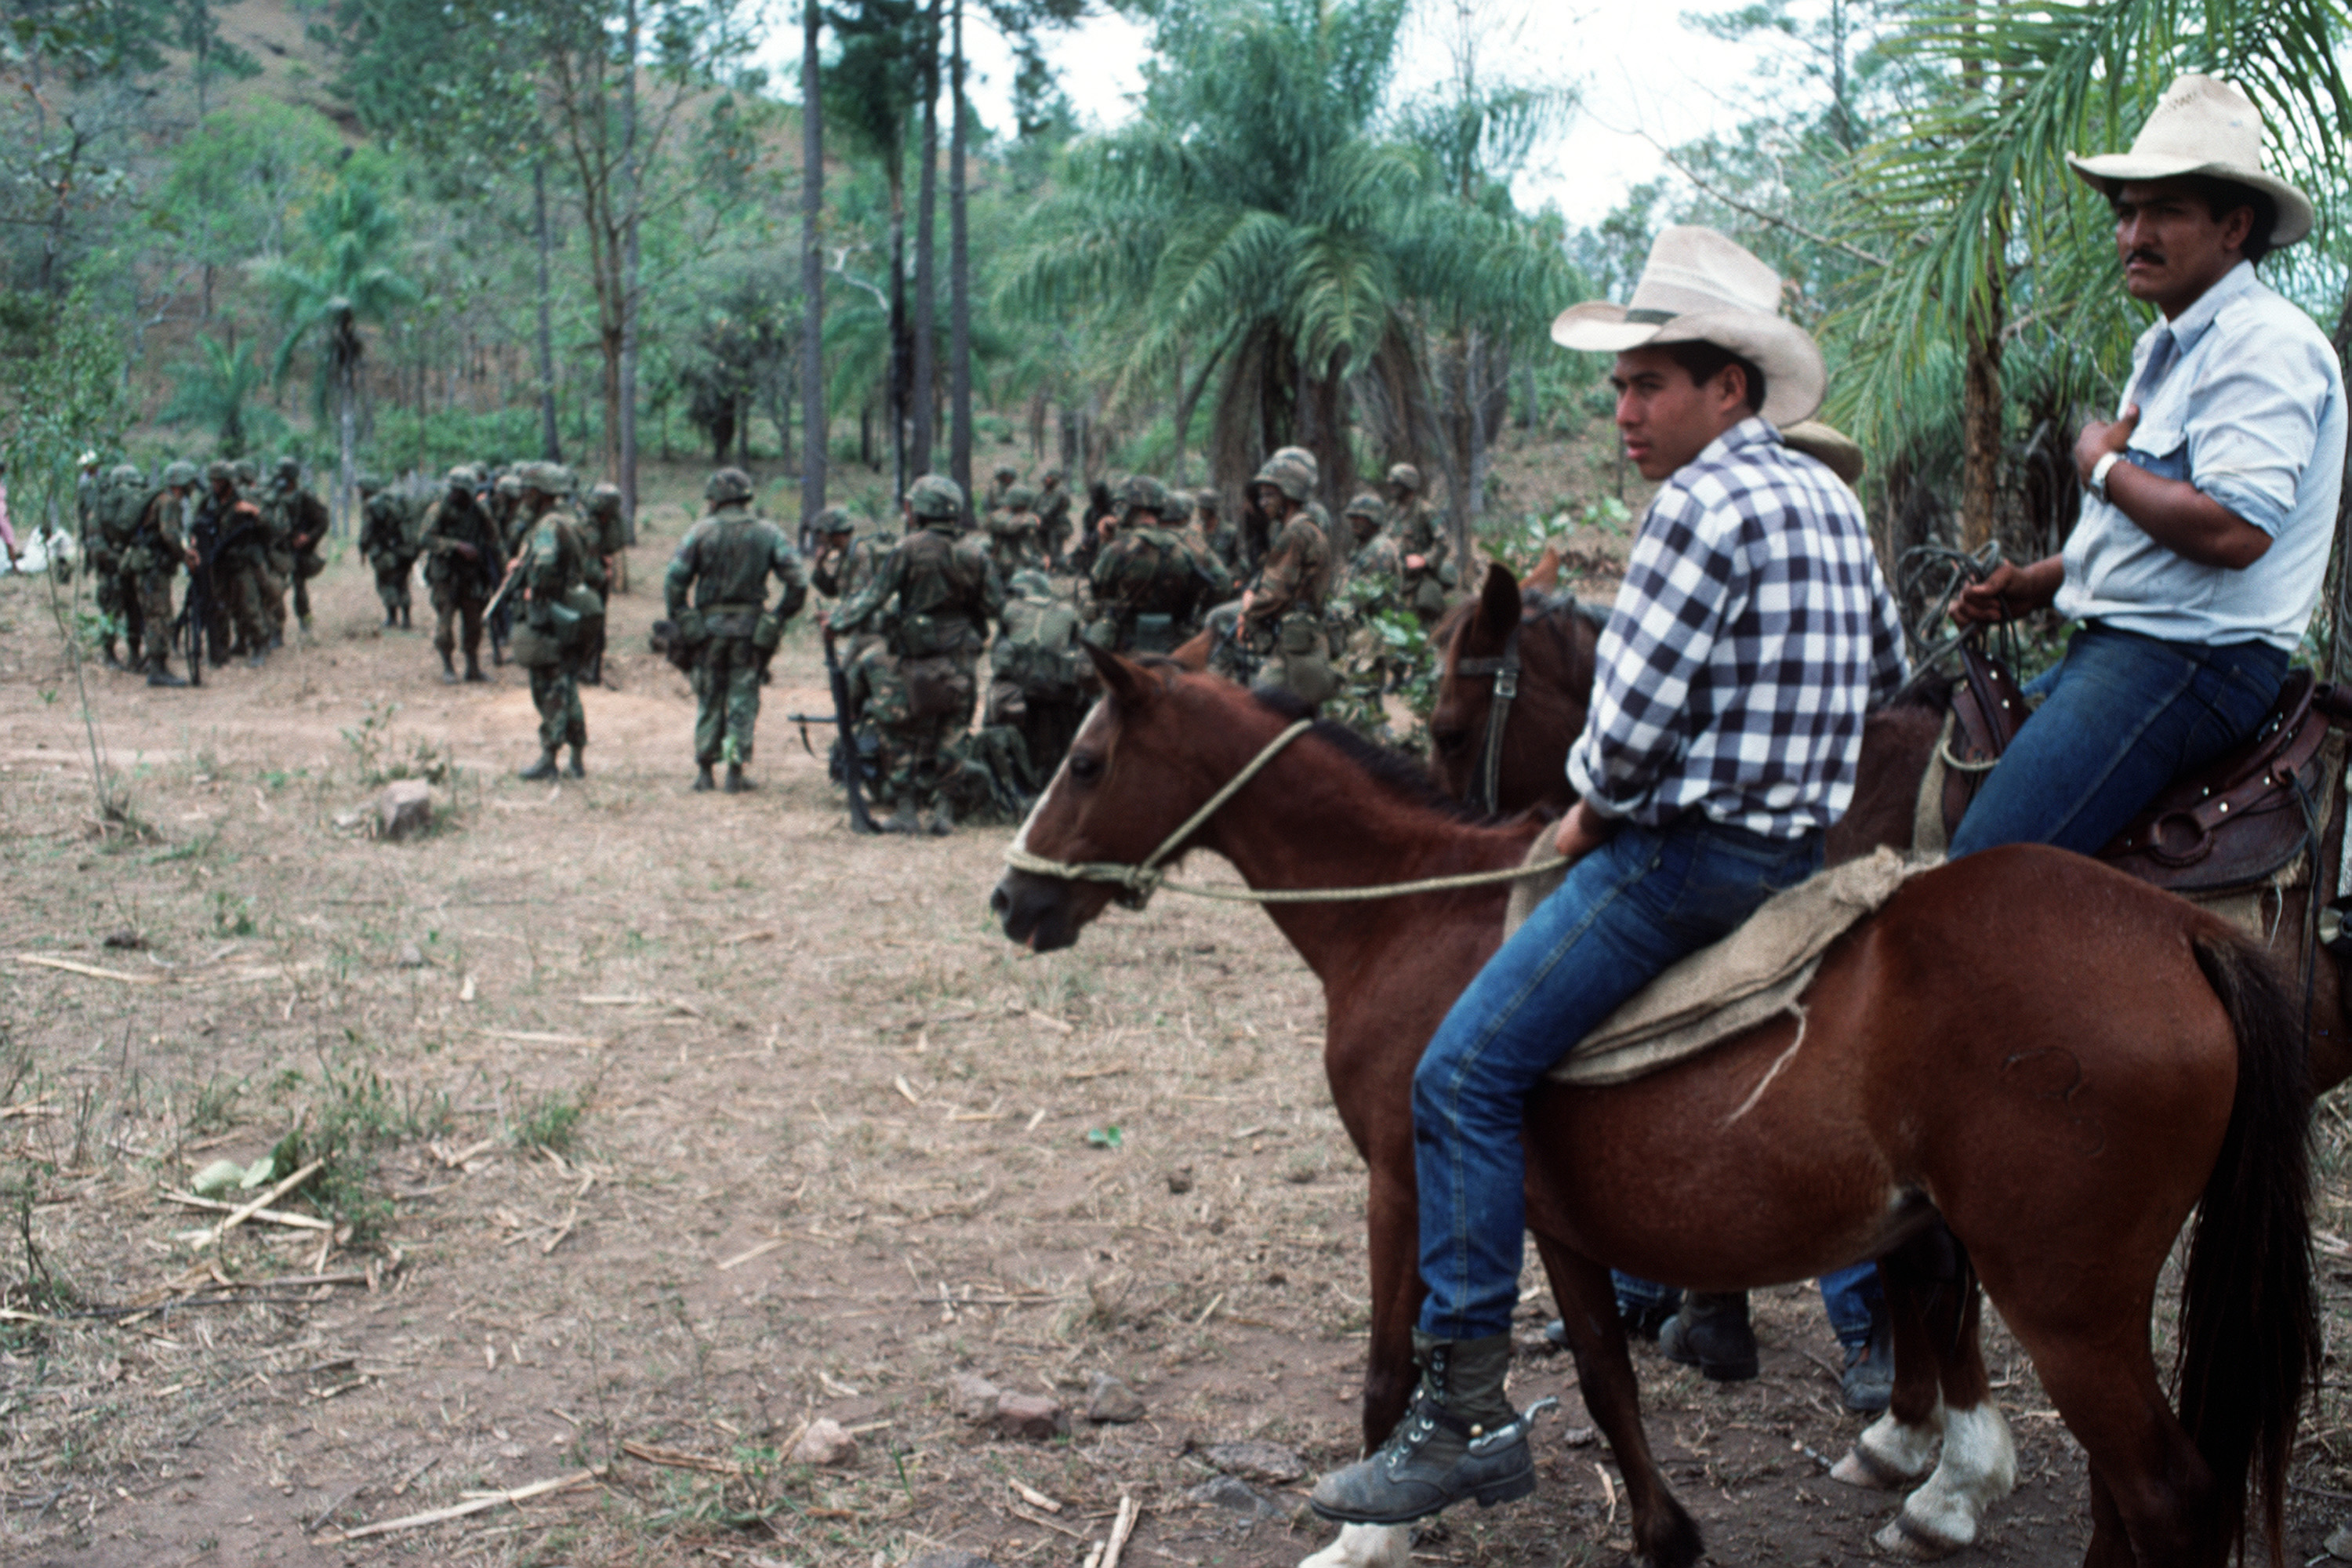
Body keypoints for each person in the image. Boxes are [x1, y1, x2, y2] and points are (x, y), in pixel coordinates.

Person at [1309, 226, 1906, 1527]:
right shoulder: (1830, 500)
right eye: (1619, 385)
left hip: (1682, 866)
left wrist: (1588, 814)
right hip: (1798, 860)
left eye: (1649, 384)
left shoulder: (1696, 506)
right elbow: (1884, 671)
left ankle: (1460, 1409)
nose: (1623, 411)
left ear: (1727, 389)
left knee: (1457, 1076)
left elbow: (1624, 738)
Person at [1948, 74, 2342, 862]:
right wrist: (2047, 579)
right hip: (2127, 646)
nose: (2134, 234)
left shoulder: (2264, 342)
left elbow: (2233, 531)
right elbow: (2153, 531)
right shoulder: (2169, 346)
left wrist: (2100, 464)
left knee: (1975, 876)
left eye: (2164, 210)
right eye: (2126, 211)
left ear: (2235, 226)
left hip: (2187, 662)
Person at [826, 474, 1004, 835]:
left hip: (916, 657)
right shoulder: (977, 552)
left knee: (901, 729)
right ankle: (944, 812)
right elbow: (995, 605)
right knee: (954, 732)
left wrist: (837, 621)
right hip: (960, 658)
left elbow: (874, 595)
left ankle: (906, 809)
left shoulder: (908, 549)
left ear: (921, 509)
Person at [666, 468, 810, 793]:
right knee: (743, 698)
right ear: (746, 498)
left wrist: (685, 618)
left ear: (715, 500)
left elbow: (674, 581)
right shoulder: (768, 532)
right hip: (750, 633)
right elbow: (798, 582)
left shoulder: (699, 532)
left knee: (709, 697)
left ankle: (704, 772)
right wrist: (778, 617)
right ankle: (734, 770)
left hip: (708, 632)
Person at [503, 463, 600, 779]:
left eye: (527, 491)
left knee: (549, 687)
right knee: (567, 686)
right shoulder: (571, 518)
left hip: (551, 614)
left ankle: (549, 757)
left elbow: (545, 564)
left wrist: (534, 588)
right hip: (572, 612)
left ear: (539, 493)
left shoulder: (546, 525)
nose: (522, 497)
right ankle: (577, 755)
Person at [1236, 448, 1337, 705]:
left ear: (1289, 494)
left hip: (1296, 642)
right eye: (1261, 496)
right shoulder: (1304, 528)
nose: (1262, 502)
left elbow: (1275, 592)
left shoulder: (1296, 533)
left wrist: (1248, 612)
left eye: (1270, 495)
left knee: (1261, 708)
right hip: (1301, 638)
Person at [1087, 475, 1232, 653]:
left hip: (1125, 638)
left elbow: (1097, 590)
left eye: (1120, 504)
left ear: (1134, 506)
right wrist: (1197, 619)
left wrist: (1104, 542)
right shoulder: (1184, 549)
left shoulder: (1119, 549)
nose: (1117, 510)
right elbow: (1221, 585)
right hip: (1172, 639)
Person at [988, 569, 1090, 786]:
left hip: (1018, 689)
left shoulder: (1011, 610)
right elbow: (1078, 645)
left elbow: (998, 650)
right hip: (1057, 690)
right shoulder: (1069, 611)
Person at [421, 465, 503, 683]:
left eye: (462, 491)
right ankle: (448, 667)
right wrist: (456, 546)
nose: (457, 495)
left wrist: (503, 570)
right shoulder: (438, 510)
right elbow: (424, 539)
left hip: (472, 575)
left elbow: (495, 540)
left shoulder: (479, 511)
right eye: (455, 490)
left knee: (474, 624)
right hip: (446, 576)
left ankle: (473, 668)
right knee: (445, 625)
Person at [190, 461, 272, 669]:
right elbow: (196, 523)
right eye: (213, 481)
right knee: (218, 605)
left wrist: (253, 511)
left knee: (249, 604)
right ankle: (220, 650)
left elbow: (271, 524)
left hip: (242, 559)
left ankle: (259, 644)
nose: (216, 485)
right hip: (217, 561)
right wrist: (194, 539)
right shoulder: (208, 500)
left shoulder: (244, 497)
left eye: (220, 481)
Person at [130, 462, 201, 687]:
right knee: (158, 617)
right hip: (153, 568)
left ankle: (155, 663)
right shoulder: (170, 502)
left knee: (156, 614)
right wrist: (185, 556)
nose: (192, 489)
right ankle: (157, 670)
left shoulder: (161, 499)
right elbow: (169, 535)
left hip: (150, 566)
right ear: (182, 483)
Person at [264, 457, 331, 637]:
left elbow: (323, 521)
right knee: (276, 588)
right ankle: (277, 630)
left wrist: (308, 537)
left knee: (300, 588)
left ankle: (306, 622)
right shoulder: (272, 496)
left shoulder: (304, 497)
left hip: (297, 550)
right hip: (279, 549)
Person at [1384, 464, 1457, 624]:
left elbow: (1443, 543)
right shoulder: (1390, 511)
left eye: (1396, 484)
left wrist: (1425, 560)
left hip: (1417, 580)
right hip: (1394, 579)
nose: (1391, 488)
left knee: (1422, 618)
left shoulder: (1425, 511)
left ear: (1408, 486)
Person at [360, 479, 420, 630]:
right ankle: (407, 619)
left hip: (383, 551)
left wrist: (363, 549)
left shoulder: (371, 505)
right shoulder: (394, 500)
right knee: (403, 583)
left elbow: (366, 532)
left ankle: (392, 618)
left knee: (386, 583)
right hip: (404, 550)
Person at [986, 485, 1048, 574]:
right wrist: (1031, 518)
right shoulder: (997, 516)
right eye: (1024, 506)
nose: (1026, 509)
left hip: (1022, 561)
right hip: (1003, 563)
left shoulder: (1023, 517)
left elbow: (1033, 541)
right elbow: (1011, 527)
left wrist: (1044, 556)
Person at [1036, 469, 1073, 570]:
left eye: (1049, 477)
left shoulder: (1058, 493)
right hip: (1045, 525)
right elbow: (1034, 508)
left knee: (1055, 549)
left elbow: (1049, 510)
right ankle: (1048, 564)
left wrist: (1037, 516)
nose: (1046, 479)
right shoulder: (1042, 494)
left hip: (1058, 525)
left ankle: (1060, 565)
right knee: (1041, 545)